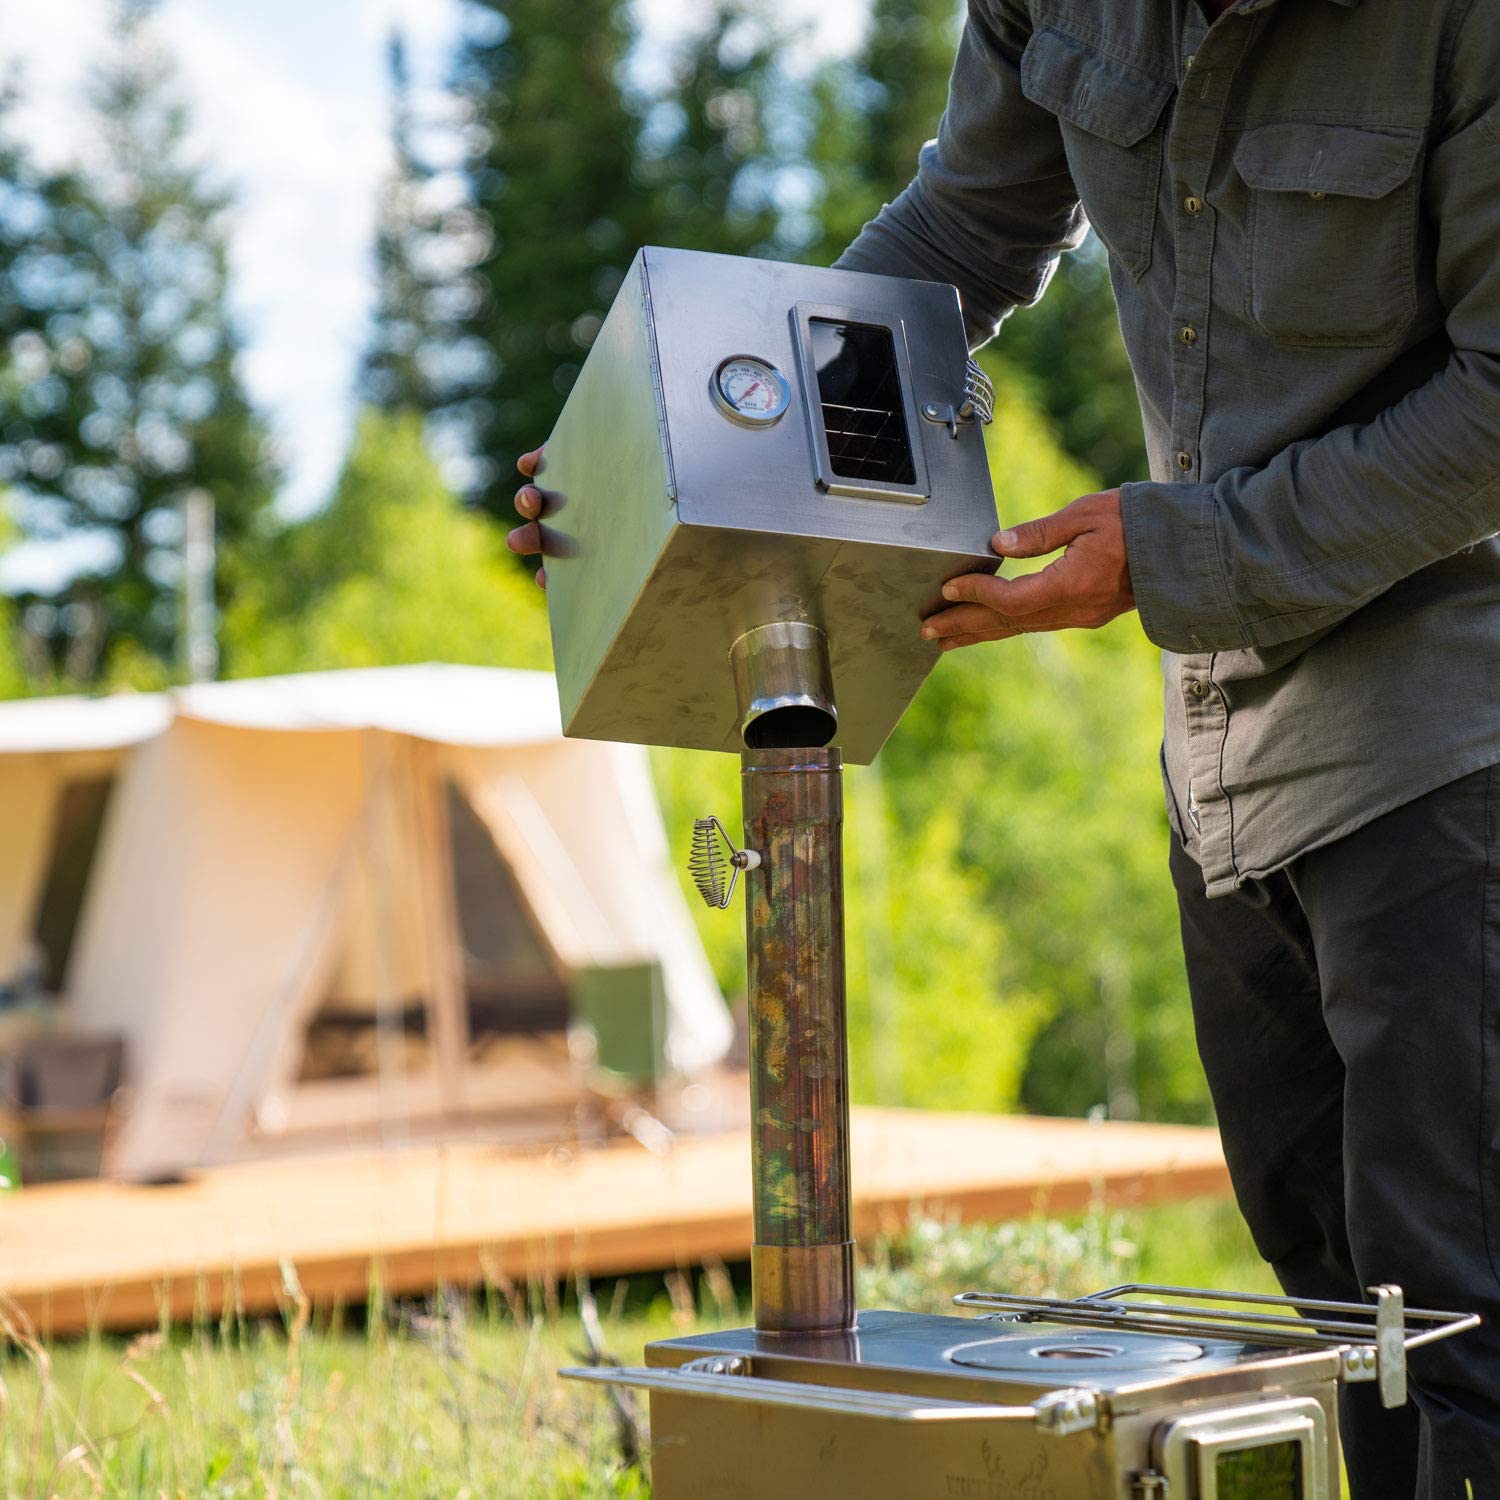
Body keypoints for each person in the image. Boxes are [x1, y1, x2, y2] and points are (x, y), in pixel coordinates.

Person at [508, 1, 1500, 1492]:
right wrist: (669, 455)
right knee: (1343, 1325)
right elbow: (964, 237)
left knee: (1462, 1329)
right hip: (1225, 765)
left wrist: (1182, 552)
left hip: (1452, 741)